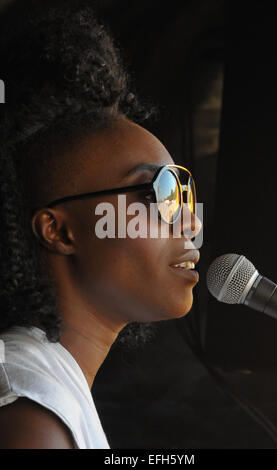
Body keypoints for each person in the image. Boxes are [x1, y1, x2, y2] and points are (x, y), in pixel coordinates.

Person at [0, 4, 202, 449]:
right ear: (60, 231)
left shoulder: (47, 385)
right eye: (158, 193)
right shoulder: (28, 406)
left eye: (182, 191)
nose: (189, 218)